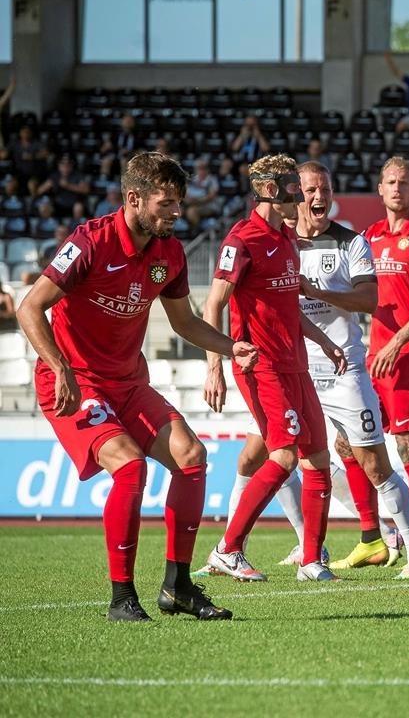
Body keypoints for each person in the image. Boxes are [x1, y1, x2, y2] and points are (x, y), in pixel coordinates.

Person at [15, 152, 256, 622]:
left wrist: (231, 348)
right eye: (166, 203)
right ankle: (122, 597)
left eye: (179, 204)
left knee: (192, 457)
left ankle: (179, 587)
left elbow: (184, 322)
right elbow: (29, 307)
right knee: (129, 466)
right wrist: (59, 365)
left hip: (127, 382)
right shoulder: (89, 243)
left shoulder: (169, 253)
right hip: (74, 381)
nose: (175, 213)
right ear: (133, 198)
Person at [259, 161, 409, 578]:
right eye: (311, 190)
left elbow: (370, 300)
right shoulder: (279, 245)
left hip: (344, 368)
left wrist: (315, 291)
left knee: (375, 463)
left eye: (325, 190)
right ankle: (309, 552)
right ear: (296, 194)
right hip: (294, 369)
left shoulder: (351, 243)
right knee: (276, 455)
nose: (319, 198)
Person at [201, 154, 347, 583]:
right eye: (292, 188)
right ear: (268, 190)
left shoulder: (285, 240)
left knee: (318, 460)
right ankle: (227, 550)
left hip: (296, 364)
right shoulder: (241, 240)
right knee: (283, 456)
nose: (301, 196)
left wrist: (325, 342)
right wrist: (216, 366)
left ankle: (312, 561)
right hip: (260, 366)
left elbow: (289, 308)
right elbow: (213, 305)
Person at [364, 157, 409, 529]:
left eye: (404, 183)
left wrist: (397, 342)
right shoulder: (370, 235)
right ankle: (373, 535)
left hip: (408, 356)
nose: (396, 188)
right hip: (374, 358)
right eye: (390, 181)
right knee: (350, 445)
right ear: (380, 188)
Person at [34, 155, 90, 219]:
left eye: (68, 164)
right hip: (57, 204)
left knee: (78, 207)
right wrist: (48, 186)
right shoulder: (55, 176)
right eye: (62, 164)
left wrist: (68, 185)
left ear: (72, 166)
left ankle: (76, 226)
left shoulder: (77, 175)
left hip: (73, 203)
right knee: (44, 207)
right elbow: (39, 191)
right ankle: (48, 225)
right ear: (58, 166)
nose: (65, 167)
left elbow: (86, 190)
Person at [182, 158, 221, 228]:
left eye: (204, 168)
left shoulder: (212, 179)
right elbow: (184, 194)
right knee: (177, 210)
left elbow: (212, 196)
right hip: (192, 204)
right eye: (199, 168)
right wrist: (187, 200)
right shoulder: (192, 179)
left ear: (207, 169)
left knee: (191, 211)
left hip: (208, 205)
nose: (202, 171)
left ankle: (197, 231)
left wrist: (198, 201)